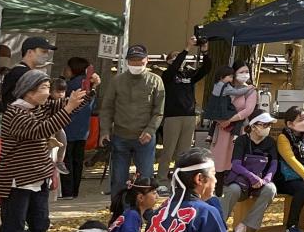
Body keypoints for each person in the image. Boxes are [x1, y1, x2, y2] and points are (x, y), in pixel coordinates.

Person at [0, 68, 88, 232]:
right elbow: (41, 130)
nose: (49, 93)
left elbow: (74, 105)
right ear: (29, 91)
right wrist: (68, 107)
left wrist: (88, 88)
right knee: (13, 229)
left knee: (40, 225)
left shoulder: (41, 107)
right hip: (17, 179)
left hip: (40, 176)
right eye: (44, 88)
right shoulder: (15, 113)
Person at [100, 45, 164, 201]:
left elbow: (159, 110)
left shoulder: (155, 81)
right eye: (132, 61)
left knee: (146, 178)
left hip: (145, 138)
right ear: (127, 61)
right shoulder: (117, 80)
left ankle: (147, 212)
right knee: (118, 179)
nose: (136, 64)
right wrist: (105, 131)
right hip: (120, 136)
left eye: (139, 60)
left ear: (147, 60)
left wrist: (150, 130)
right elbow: (107, 108)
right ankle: (117, 211)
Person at [158, 34, 212, 181]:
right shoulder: (167, 75)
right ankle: (161, 178)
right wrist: (187, 48)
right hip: (173, 116)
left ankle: (179, 178)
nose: (179, 60)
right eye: (174, 57)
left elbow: (205, 69)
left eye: (179, 57)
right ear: (168, 61)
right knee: (168, 150)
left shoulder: (188, 74)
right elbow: (175, 67)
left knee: (184, 151)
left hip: (189, 115)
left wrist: (205, 51)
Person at [218, 112, 279, 232]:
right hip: (242, 182)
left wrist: (266, 180)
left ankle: (245, 226)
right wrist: (252, 178)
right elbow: (235, 164)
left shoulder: (270, 142)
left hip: (261, 182)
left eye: (269, 125)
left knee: (271, 189)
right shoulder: (241, 140)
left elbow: (274, 164)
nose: (268, 127)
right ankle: (218, 225)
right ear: (254, 126)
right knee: (232, 190)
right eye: (265, 124)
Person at [207, 62, 257, 171]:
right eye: (241, 72)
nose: (245, 74)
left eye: (247, 72)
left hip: (238, 130)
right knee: (218, 161)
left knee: (235, 158)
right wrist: (220, 120)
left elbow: (248, 110)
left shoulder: (250, 91)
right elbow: (214, 105)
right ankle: (216, 184)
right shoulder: (224, 87)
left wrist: (229, 120)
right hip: (221, 129)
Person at [59, 57, 96, 201]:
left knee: (66, 159)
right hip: (82, 128)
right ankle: (75, 190)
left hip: (68, 127)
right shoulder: (88, 85)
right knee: (77, 160)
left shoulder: (71, 85)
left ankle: (67, 191)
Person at [0, 36, 55, 107]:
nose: (46, 55)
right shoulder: (21, 73)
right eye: (43, 51)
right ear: (29, 52)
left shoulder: (20, 71)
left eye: (47, 52)